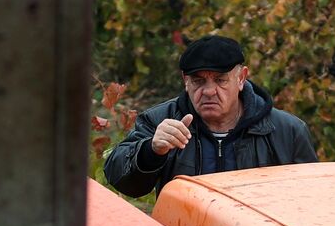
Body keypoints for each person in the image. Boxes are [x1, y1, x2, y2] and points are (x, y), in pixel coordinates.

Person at [104, 35, 317, 198]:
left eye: (220, 80)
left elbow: (311, 199)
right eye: (198, 81)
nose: (208, 91)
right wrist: (151, 151)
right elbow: (120, 180)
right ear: (185, 81)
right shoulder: (161, 121)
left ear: (241, 78)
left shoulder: (287, 131)